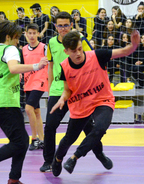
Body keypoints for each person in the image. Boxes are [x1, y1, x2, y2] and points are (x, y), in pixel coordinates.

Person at [50, 29, 141, 176]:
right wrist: (62, 98)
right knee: (69, 138)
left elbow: (124, 51)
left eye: (80, 49)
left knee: (99, 129)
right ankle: (58, 159)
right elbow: (67, 90)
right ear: (66, 51)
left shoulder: (98, 56)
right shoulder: (64, 67)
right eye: (74, 51)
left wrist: (134, 45)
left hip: (102, 99)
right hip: (80, 104)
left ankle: (75, 157)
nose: (78, 53)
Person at [0, 20, 48, 184]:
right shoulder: (10, 49)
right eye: (15, 38)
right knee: (20, 142)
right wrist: (36, 66)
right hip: (5, 100)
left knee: (20, 141)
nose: (17, 41)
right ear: (8, 37)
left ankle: (14, 178)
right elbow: (13, 68)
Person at [39, 11, 93, 172]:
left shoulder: (80, 40)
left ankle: (100, 154)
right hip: (58, 91)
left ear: (71, 25)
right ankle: (48, 161)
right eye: (60, 26)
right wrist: (49, 90)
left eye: (66, 25)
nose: (63, 29)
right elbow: (50, 66)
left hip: (79, 91)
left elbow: (91, 60)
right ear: (55, 27)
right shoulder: (51, 43)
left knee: (89, 128)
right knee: (49, 126)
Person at [22, 23, 49, 151]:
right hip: (28, 82)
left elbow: (50, 64)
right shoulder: (23, 49)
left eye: (34, 33)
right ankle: (43, 140)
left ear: (38, 33)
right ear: (26, 34)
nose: (32, 36)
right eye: (30, 33)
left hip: (40, 81)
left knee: (28, 108)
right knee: (36, 112)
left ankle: (34, 139)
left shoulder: (44, 47)